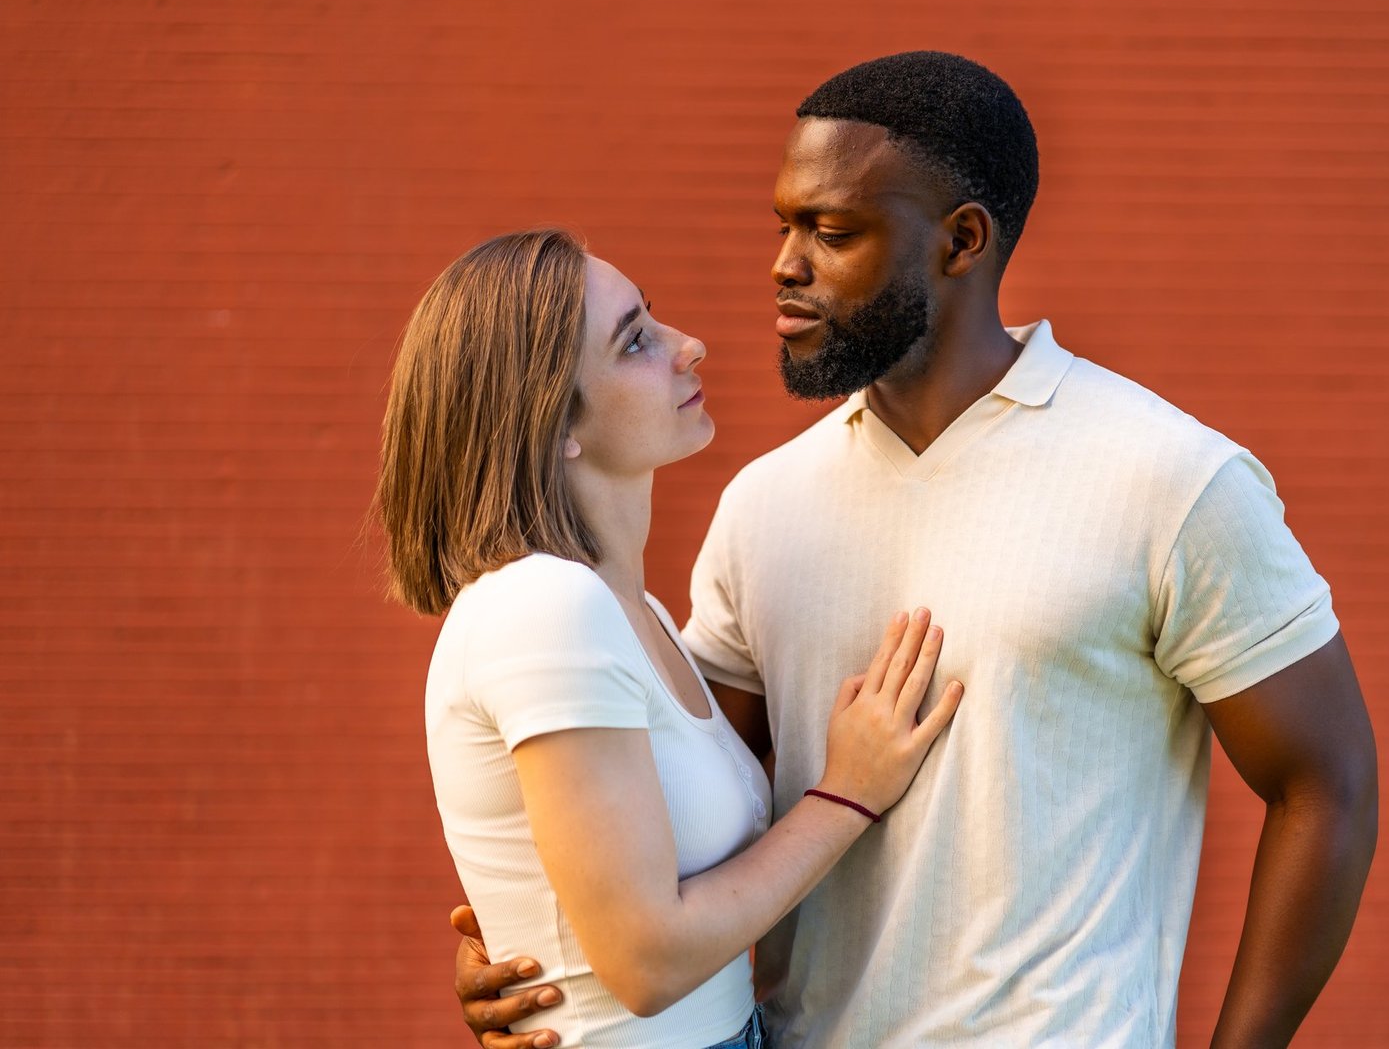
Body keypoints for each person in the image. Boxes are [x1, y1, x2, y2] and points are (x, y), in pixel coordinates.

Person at [454, 52, 1379, 1048]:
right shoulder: (764, 506)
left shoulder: (1169, 480)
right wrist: (539, 955)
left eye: (833, 231)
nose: (784, 263)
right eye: (784, 225)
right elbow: (678, 814)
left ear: (962, 242)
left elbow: (1327, 785)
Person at [374, 228, 964, 1049]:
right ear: (554, 424)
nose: (691, 346)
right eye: (636, 342)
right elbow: (645, 963)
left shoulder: (632, 611)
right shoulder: (545, 605)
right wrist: (847, 794)